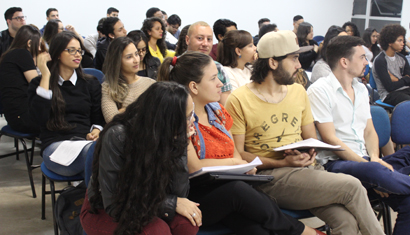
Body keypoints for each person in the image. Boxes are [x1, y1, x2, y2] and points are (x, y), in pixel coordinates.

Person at [225, 30, 385, 235]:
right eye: (294, 59)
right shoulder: (239, 99)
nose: (299, 66)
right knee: (352, 186)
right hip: (268, 178)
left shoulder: (298, 91)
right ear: (273, 62)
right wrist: (283, 162)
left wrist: (309, 151)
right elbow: (239, 155)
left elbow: (310, 138)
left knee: (346, 222)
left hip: (306, 172)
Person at [158, 51, 326, 235]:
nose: (220, 84)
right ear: (194, 87)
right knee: (238, 191)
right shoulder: (181, 117)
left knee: (255, 227)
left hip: (225, 187)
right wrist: (235, 163)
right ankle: (303, 231)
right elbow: (194, 167)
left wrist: (244, 167)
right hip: (195, 194)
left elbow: (235, 154)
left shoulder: (217, 111)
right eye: (213, 78)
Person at [307, 35, 410, 235]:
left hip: (365, 161)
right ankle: (384, 177)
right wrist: (370, 166)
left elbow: (369, 130)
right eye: (362, 57)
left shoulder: (361, 88)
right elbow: (331, 139)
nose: (367, 62)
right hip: (336, 164)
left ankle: (385, 178)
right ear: (344, 62)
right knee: (376, 171)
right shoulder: (319, 90)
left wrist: (373, 158)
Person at [81, 82, 200, 235]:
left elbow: (180, 193)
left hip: (149, 201)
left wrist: (180, 145)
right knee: (157, 231)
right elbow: (114, 205)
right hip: (106, 208)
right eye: (189, 116)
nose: (193, 120)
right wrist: (170, 204)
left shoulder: (167, 134)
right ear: (167, 120)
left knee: (187, 224)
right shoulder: (118, 136)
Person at [27, 31, 105, 177]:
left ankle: (88, 197)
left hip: (85, 142)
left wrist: (96, 130)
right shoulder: (39, 84)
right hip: (55, 148)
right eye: (71, 50)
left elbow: (98, 117)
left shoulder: (90, 83)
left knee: (102, 152)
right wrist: (45, 76)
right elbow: (38, 119)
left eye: (79, 51)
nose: (78, 55)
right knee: (98, 155)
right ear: (57, 53)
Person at [0, 25, 46, 133]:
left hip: (15, 115)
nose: (39, 49)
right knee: (64, 121)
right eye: (38, 44)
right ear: (29, 43)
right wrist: (43, 66)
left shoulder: (10, 54)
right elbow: (38, 85)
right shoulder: (22, 54)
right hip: (23, 117)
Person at [101, 37, 155, 123]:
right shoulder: (107, 87)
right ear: (117, 61)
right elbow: (112, 120)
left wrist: (123, 111)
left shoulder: (150, 83)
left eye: (136, 54)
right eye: (129, 57)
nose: (136, 60)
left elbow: (158, 115)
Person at [186, 21, 232, 105]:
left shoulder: (218, 68)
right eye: (200, 38)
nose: (205, 44)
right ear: (187, 40)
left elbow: (226, 105)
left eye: (209, 39)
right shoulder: (175, 65)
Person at [373, 24, 410, 106]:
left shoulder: (402, 58)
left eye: (403, 41)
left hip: (404, 90)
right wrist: (404, 79)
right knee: (408, 102)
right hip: (388, 94)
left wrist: (397, 80)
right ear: (390, 42)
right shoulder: (380, 60)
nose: (402, 44)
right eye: (399, 41)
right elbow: (389, 87)